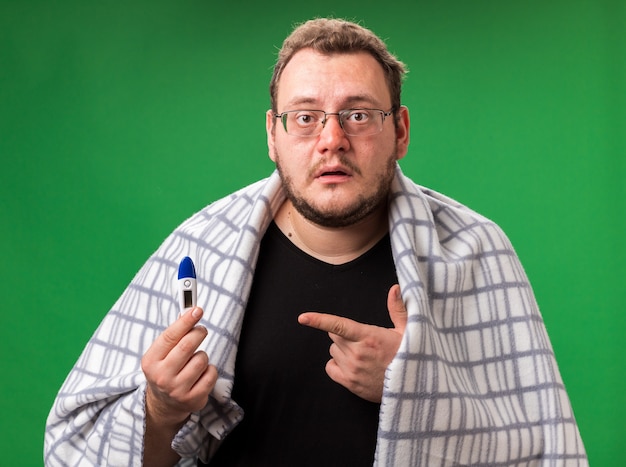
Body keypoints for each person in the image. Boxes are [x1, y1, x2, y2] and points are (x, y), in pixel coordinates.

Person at [44, 18, 587, 466]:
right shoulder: (201, 248)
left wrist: (414, 383)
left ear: (400, 130)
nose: (332, 139)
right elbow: (76, 448)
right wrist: (159, 411)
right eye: (305, 117)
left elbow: (544, 448)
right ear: (272, 135)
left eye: (357, 114)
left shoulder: (475, 251)